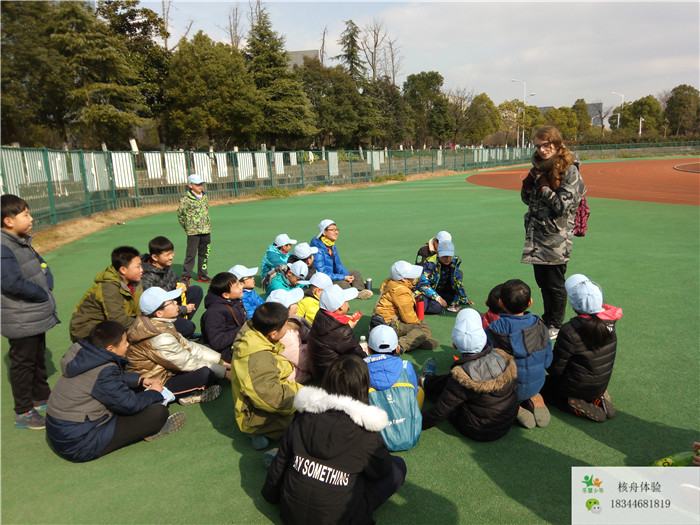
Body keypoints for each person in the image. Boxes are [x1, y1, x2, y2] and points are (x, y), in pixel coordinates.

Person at [261, 354, 406, 525]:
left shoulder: (302, 417)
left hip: (290, 514)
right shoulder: (367, 433)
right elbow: (382, 470)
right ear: (363, 386)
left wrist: (271, 494)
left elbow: (281, 461)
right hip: (341, 519)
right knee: (397, 466)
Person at [45, 321, 186, 462]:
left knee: (135, 392)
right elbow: (130, 405)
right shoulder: (103, 372)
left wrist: (139, 380)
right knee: (157, 412)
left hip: (61, 432)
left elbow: (102, 378)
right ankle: (151, 429)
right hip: (80, 444)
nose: (128, 345)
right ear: (110, 348)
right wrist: (154, 392)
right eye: (125, 342)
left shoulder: (85, 353)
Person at [521, 125, 587, 339]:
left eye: (546, 145)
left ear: (556, 144)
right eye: (537, 146)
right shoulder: (540, 168)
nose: (541, 150)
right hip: (537, 236)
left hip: (556, 238)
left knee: (555, 284)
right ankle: (547, 319)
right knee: (543, 283)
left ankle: (556, 324)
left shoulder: (569, 170)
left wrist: (543, 187)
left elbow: (562, 206)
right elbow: (528, 201)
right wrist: (528, 185)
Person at [1, 194, 60, 430]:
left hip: (32, 314)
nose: (31, 218)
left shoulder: (20, 240)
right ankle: (24, 411)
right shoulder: (4, 246)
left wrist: (47, 279)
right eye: (25, 214)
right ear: (8, 221)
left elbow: (41, 265)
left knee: (37, 357)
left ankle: (41, 396)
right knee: (23, 364)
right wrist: (41, 293)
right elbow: (10, 283)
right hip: (20, 317)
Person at [420, 309, 519, 441]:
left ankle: (426, 383)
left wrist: (416, 424)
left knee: (442, 394)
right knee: (453, 385)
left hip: (478, 429)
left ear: (455, 344)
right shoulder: (501, 357)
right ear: (484, 339)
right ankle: (427, 381)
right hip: (505, 421)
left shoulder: (463, 375)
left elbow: (440, 411)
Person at [126, 287, 225, 405]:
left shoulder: (160, 322)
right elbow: (187, 362)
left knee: (209, 365)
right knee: (206, 374)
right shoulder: (159, 337)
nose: (176, 303)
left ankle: (191, 392)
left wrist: (221, 362)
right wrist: (224, 372)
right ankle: (190, 396)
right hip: (153, 382)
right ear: (159, 313)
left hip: (166, 369)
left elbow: (189, 346)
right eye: (171, 302)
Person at [544, 274, 622, 422]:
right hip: (601, 384)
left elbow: (555, 369)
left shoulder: (570, 330)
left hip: (575, 387)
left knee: (542, 387)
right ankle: (597, 396)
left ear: (574, 306)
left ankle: (571, 402)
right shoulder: (610, 323)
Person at [231, 302, 303, 450]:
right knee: (304, 421)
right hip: (253, 414)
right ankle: (258, 432)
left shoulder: (252, 331)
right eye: (285, 326)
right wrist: (302, 394)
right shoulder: (258, 359)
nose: (287, 328)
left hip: (257, 396)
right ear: (273, 334)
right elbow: (272, 400)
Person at [486, 279, 552, 429]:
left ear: (500, 303)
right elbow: (548, 360)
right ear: (530, 302)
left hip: (508, 390)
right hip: (537, 383)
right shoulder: (540, 325)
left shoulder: (493, 329)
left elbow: (489, 364)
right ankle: (535, 396)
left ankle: (515, 407)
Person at [364, 325, 423, 451]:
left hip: (374, 441)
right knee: (420, 391)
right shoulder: (405, 365)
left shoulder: (359, 369)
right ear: (397, 349)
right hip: (410, 436)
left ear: (368, 349)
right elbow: (414, 393)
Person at [69, 246, 144, 343]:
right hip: (87, 331)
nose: (142, 270)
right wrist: (145, 325)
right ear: (123, 270)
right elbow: (118, 319)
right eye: (138, 267)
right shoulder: (109, 287)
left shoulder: (135, 282)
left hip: (108, 325)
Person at [140, 236, 203, 339]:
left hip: (170, 302)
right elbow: (154, 308)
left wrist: (183, 285)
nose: (172, 256)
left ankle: (180, 327)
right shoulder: (147, 277)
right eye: (167, 254)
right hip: (158, 313)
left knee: (196, 291)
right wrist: (183, 309)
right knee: (189, 327)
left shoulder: (166, 267)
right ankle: (178, 332)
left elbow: (178, 281)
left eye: (172, 252)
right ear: (155, 257)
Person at [373, 260, 438, 351]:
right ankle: (400, 346)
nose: (415, 277)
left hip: (382, 323)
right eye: (411, 274)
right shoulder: (401, 291)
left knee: (419, 325)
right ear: (404, 279)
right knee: (424, 329)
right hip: (389, 326)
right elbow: (408, 317)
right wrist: (418, 323)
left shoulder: (391, 283)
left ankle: (416, 339)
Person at [307, 284, 364, 381]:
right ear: (341, 307)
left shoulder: (320, 315)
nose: (348, 303)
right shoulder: (341, 331)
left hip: (318, 372)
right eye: (346, 301)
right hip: (333, 379)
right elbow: (358, 355)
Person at [309, 219, 373, 299]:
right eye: (332, 230)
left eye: (336, 229)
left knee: (355, 273)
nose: (336, 232)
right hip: (323, 281)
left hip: (333, 275)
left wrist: (347, 276)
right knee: (343, 283)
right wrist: (343, 277)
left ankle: (359, 289)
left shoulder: (331, 245)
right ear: (324, 232)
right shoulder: (317, 250)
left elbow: (339, 265)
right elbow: (322, 274)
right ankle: (357, 293)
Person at [266, 288, 312, 384]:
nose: (297, 304)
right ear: (288, 309)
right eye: (294, 303)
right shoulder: (286, 333)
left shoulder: (270, 325)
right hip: (290, 375)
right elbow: (300, 360)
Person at [415, 240, 474, 315]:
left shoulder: (455, 261)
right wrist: (438, 298)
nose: (447, 259)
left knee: (438, 307)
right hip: (424, 291)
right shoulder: (431, 264)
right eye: (444, 256)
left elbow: (457, 281)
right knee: (423, 307)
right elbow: (423, 285)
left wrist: (464, 298)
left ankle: (429, 303)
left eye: (450, 256)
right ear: (438, 254)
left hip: (438, 290)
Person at [200, 272, 246, 363]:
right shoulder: (214, 312)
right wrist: (243, 329)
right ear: (226, 295)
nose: (241, 286)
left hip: (235, 342)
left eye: (239, 283)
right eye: (237, 286)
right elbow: (217, 342)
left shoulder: (234, 301)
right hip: (224, 353)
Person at [177, 173, 211, 283]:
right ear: (190, 185)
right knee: (191, 255)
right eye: (197, 184)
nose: (200, 186)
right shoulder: (186, 200)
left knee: (204, 254)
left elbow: (206, 210)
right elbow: (181, 215)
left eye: (201, 184)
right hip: (193, 232)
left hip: (206, 230)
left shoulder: (205, 197)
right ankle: (186, 275)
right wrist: (187, 227)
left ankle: (202, 274)